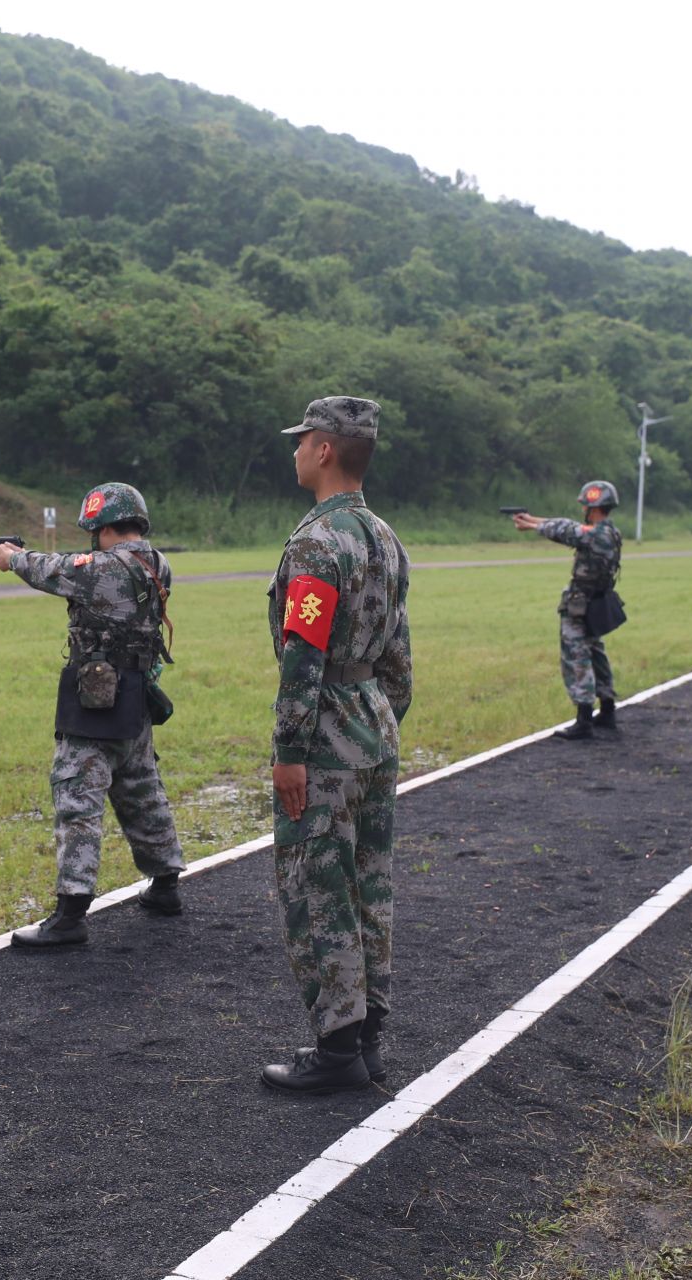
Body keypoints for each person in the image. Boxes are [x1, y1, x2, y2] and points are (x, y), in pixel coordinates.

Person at [263, 396, 412, 1094]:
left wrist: (292, 751)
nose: (294, 450)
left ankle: (336, 1049)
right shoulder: (384, 536)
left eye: (302, 440)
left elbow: (303, 655)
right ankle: (369, 1040)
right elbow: (399, 655)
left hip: (324, 734)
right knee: (370, 888)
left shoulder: (319, 544)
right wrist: (379, 720)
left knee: (317, 890)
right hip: (374, 726)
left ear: (324, 448)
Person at [0, 482, 187, 947]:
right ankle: (165, 886)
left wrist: (11, 557)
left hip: (98, 698)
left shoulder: (103, 567)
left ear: (103, 527)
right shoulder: (157, 563)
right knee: (141, 789)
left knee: (78, 796)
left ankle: (71, 913)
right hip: (137, 693)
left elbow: (52, 569)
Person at [512, 481, 623, 737]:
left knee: (576, 656)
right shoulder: (610, 532)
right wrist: (532, 520)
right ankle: (607, 711)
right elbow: (570, 526)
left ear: (592, 507)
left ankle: (584, 719)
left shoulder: (596, 534)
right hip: (594, 604)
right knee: (595, 654)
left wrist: (531, 525)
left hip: (581, 606)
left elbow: (568, 531)